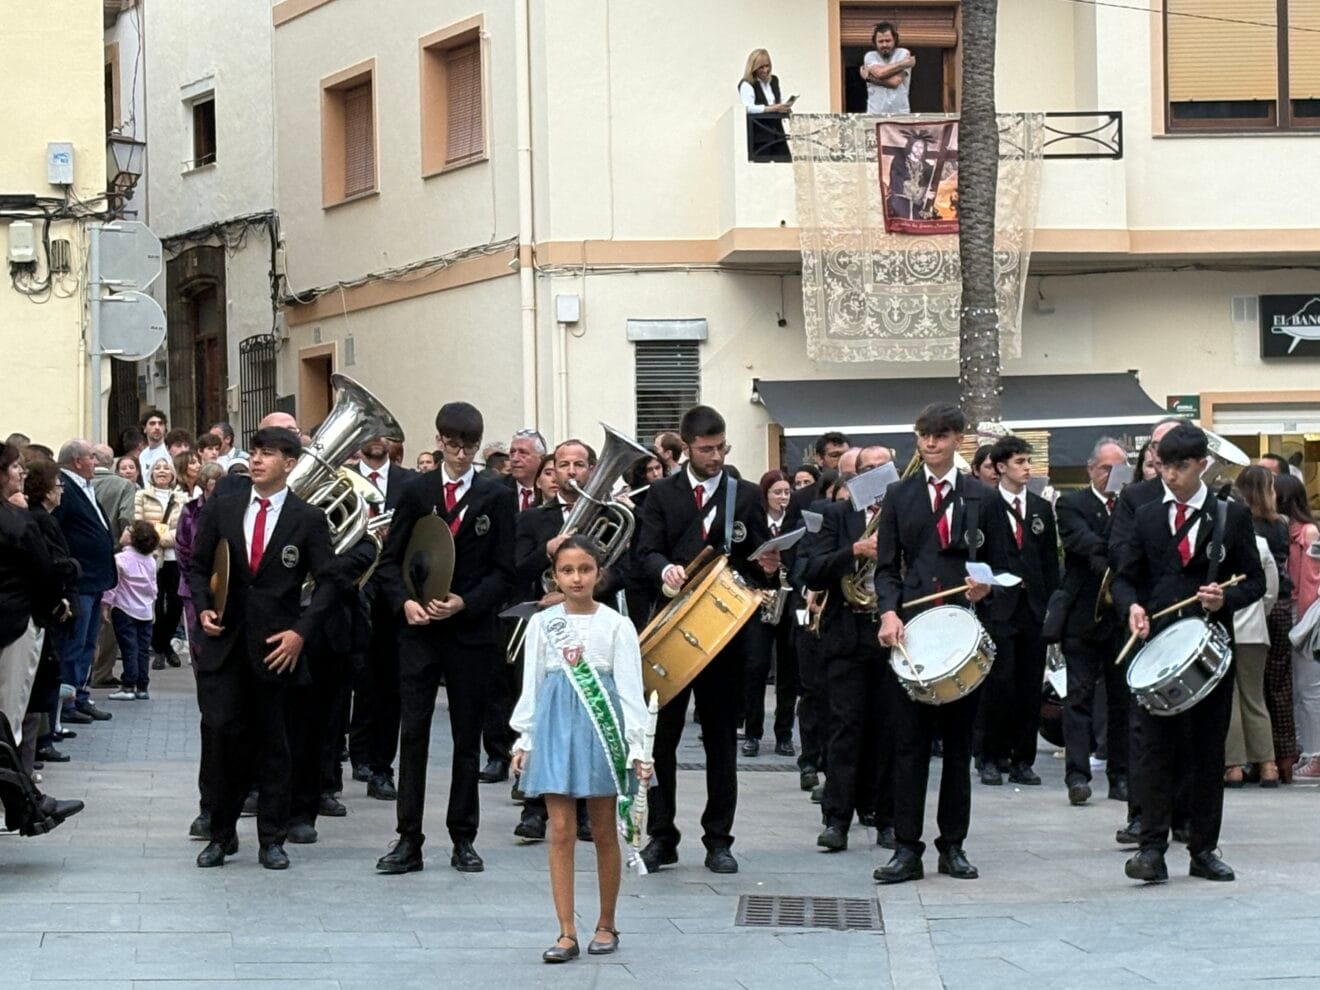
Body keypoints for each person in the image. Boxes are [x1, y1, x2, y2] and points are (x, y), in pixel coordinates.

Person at [1111, 423, 1265, 883]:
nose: (1170, 476)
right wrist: (1132, 607)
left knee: (1205, 751)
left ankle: (1203, 848)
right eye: (1163, 467)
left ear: (1201, 464)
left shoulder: (1229, 516)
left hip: (1210, 649)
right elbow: (1123, 576)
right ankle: (1152, 849)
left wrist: (1226, 600)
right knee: (1152, 750)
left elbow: (1254, 581)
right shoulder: (1145, 513)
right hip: (1156, 645)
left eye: (1180, 467)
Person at [187, 426, 339, 870]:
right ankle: (220, 833)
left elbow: (331, 582)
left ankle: (272, 838)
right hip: (226, 645)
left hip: (277, 648)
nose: (256, 461)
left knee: (275, 744)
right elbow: (198, 567)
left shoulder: (307, 518)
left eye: (268, 454)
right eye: (254, 452)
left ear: (289, 465)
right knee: (221, 739)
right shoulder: (225, 507)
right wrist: (202, 609)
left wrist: (301, 632)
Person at [373, 401, 516, 875]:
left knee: (466, 736)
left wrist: (466, 603)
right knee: (411, 733)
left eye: (469, 447)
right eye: (452, 445)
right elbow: (390, 560)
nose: (460, 455)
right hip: (420, 632)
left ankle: (463, 837)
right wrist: (405, 603)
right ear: (437, 442)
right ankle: (408, 839)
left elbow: (503, 571)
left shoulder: (497, 494)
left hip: (470, 633)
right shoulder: (416, 490)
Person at [636, 405, 777, 875]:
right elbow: (645, 552)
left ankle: (719, 839)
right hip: (673, 629)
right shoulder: (661, 493)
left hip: (724, 636)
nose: (715, 457)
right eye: (705, 450)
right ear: (687, 446)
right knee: (662, 742)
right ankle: (662, 835)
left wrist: (770, 568)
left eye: (721, 449)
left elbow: (759, 563)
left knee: (721, 741)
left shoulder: (748, 494)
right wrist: (664, 569)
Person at [873, 403, 999, 884]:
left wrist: (986, 587)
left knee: (959, 749)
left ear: (958, 440)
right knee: (908, 747)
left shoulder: (980, 496)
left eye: (940, 436)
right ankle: (907, 848)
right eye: (924, 435)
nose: (930, 444)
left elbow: (1002, 566)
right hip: (912, 632)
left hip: (961, 632)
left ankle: (954, 846)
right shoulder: (899, 493)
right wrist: (887, 611)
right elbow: (886, 568)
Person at [509, 536, 651, 963]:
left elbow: (630, 689)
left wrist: (639, 745)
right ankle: (566, 930)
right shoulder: (541, 623)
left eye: (585, 569)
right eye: (567, 571)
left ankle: (606, 923)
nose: (576, 578)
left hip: (600, 727)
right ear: (554, 576)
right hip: (555, 725)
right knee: (560, 830)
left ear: (599, 574)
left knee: (604, 828)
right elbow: (531, 684)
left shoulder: (617, 624)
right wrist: (524, 737)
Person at [802, 446, 896, 853]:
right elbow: (810, 569)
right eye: (868, 470)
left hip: (891, 633)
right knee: (845, 728)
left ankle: (886, 817)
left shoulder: (903, 514)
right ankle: (837, 819)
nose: (876, 475)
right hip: (847, 634)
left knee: (889, 730)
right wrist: (854, 551)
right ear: (854, 478)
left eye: (883, 469)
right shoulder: (837, 516)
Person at [978, 436, 1058, 786]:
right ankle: (989, 756)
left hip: (1032, 607)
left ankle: (1022, 758)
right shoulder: (985, 506)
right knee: (999, 683)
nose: (1027, 468)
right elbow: (976, 554)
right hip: (999, 605)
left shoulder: (1040, 508)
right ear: (1000, 468)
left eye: (1029, 462)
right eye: (1020, 462)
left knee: (1028, 685)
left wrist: (1052, 605)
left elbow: (1050, 562)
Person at [1056, 438, 1130, 806]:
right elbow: (1084, 544)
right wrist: (1119, 551)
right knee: (1079, 698)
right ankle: (1077, 775)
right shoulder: (1072, 503)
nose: (1111, 476)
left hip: (1119, 619)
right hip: (1083, 616)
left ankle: (1120, 775)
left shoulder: (1132, 504)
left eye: (1119, 469)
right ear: (1090, 469)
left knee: (1121, 699)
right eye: (1105, 469)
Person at [349, 434, 417, 801]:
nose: (376, 440)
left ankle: (380, 767)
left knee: (387, 682)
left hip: (391, 592)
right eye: (368, 434)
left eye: (382, 434)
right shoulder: (341, 480)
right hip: (352, 591)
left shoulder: (409, 482)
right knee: (353, 677)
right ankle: (353, 755)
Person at [173, 460, 225, 839]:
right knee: (214, 718)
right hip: (204, 604)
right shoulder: (192, 514)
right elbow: (189, 559)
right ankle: (212, 811)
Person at [52, 440, 117, 727]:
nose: (96, 462)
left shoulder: (85, 486)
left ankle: (81, 694)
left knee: (89, 642)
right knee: (76, 643)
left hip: (95, 579)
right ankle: (67, 703)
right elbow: (58, 530)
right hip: (81, 580)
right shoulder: (65, 488)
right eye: (92, 457)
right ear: (77, 461)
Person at [1224, 466, 1282, 786]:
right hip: (1256, 632)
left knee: (1229, 699)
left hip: (1223, 630)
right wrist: (1260, 612)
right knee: (1255, 698)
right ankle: (1268, 765)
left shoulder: (1215, 545)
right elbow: (1269, 589)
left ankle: (1233, 767)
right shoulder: (1259, 544)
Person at [742, 469, 799, 759]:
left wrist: (783, 562)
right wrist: (761, 568)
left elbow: (803, 555)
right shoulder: (754, 520)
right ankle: (752, 733)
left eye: (786, 492)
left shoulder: (795, 520)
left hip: (788, 600)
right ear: (765, 495)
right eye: (777, 492)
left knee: (789, 671)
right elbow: (740, 556)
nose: (783, 497)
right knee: (756, 666)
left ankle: (784, 734)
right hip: (761, 598)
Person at [1279, 475, 1320, 779]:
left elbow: (1312, 579)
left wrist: (1305, 619)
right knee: (1297, 687)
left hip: (1306, 614)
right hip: (1293, 610)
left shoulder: (1308, 533)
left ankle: (1315, 753)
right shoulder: (1287, 532)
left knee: (1310, 688)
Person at [135, 458, 187, 670]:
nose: (162, 471)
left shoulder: (182, 498)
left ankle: (162, 645)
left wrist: (162, 538)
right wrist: (156, 538)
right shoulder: (142, 495)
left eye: (166, 468)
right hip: (152, 557)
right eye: (158, 467)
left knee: (176, 602)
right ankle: (162, 649)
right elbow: (139, 524)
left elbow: (185, 528)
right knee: (155, 603)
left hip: (175, 556)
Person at [104, 521, 160, 702]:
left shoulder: (120, 559)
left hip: (124, 608)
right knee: (143, 649)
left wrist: (106, 605)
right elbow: (153, 587)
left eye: (128, 529)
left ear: (132, 538)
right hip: (145, 610)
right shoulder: (151, 560)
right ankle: (142, 686)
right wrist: (152, 606)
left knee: (129, 648)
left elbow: (113, 585)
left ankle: (128, 684)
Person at [738, 48, 792, 161]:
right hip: (760, 136)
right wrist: (771, 109)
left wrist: (784, 107)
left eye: (767, 66)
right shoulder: (747, 84)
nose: (765, 70)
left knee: (785, 164)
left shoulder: (774, 80)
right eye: (761, 67)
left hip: (777, 133)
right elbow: (748, 108)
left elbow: (778, 100)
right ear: (753, 68)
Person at [860, 21, 915, 115]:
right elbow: (880, 73)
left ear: (895, 40)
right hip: (874, 114)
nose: (884, 44)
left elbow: (895, 82)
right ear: (875, 42)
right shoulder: (870, 56)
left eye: (888, 41)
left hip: (900, 115)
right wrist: (903, 64)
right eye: (880, 41)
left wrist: (869, 78)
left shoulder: (903, 53)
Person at [91, 444, 137, 536]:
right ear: (112, 463)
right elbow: (126, 517)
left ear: (93, 460)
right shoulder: (125, 485)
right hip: (114, 543)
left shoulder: (81, 482)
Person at [504, 428, 548, 512]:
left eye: (523, 453)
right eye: (512, 452)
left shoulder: (552, 488)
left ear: (542, 458)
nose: (515, 459)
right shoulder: (499, 489)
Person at [138, 409, 170, 478]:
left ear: (165, 428)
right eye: (152, 423)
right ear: (144, 428)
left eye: (160, 424)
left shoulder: (169, 453)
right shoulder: (142, 455)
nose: (157, 427)